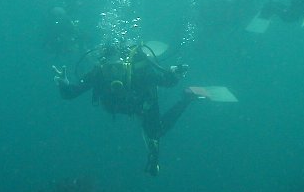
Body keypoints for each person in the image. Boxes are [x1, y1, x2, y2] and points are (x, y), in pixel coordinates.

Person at [52, 43, 196, 176]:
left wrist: (174, 74)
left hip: (143, 105)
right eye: (109, 69)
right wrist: (64, 84)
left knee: (156, 132)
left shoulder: (139, 72)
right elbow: (70, 93)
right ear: (103, 68)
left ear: (126, 66)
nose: (114, 73)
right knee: (153, 132)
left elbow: (167, 82)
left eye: (118, 68)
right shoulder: (98, 74)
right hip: (122, 107)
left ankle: (186, 99)